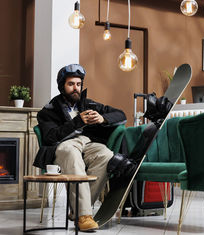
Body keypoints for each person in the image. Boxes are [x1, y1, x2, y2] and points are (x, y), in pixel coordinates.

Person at [33, 64, 136, 231]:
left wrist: (102, 118)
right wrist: (77, 121)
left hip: (86, 143)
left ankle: (77, 211)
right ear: (62, 86)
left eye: (78, 84)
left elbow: (121, 114)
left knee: (106, 155)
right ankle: (84, 216)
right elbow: (50, 137)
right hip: (63, 146)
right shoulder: (48, 110)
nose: (76, 88)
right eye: (71, 84)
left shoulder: (88, 104)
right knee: (71, 153)